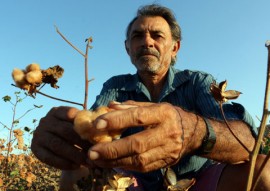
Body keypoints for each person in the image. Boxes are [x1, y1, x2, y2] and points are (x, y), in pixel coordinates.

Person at [31, 4, 270, 191]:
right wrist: (64, 133)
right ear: (128, 49)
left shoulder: (198, 82)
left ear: (174, 48)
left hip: (201, 182)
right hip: (133, 183)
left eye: (157, 35)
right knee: (74, 174)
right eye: (137, 36)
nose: (147, 41)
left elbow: (247, 141)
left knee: (264, 170)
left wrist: (194, 132)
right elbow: (92, 131)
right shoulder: (115, 87)